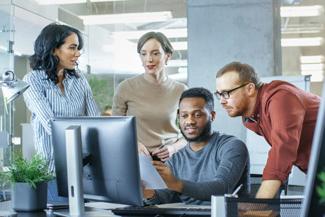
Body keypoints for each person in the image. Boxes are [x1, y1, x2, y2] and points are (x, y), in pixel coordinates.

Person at [215, 61, 320, 198]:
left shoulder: (281, 98)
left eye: (226, 93)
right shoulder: (251, 119)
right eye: (219, 94)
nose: (222, 101)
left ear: (250, 89)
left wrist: (258, 208)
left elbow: (282, 149)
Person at [23, 23, 99, 202]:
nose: (78, 53)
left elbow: (95, 121)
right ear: (54, 49)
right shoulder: (33, 80)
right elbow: (52, 126)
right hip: (52, 172)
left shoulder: (80, 80)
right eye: (72, 47)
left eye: (78, 48)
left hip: (84, 171)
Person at [143, 87, 249, 205]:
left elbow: (222, 188)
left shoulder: (232, 147)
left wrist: (177, 184)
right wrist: (146, 192)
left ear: (212, 116)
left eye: (197, 115)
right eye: (184, 116)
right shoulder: (175, 160)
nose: (190, 121)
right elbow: (165, 196)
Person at [112, 32, 187, 161]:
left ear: (167, 56)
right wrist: (134, 144)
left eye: (155, 53)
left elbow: (190, 134)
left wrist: (173, 148)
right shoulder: (125, 87)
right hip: (137, 160)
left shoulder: (181, 90)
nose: (149, 59)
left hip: (172, 160)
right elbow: (115, 128)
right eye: (144, 53)